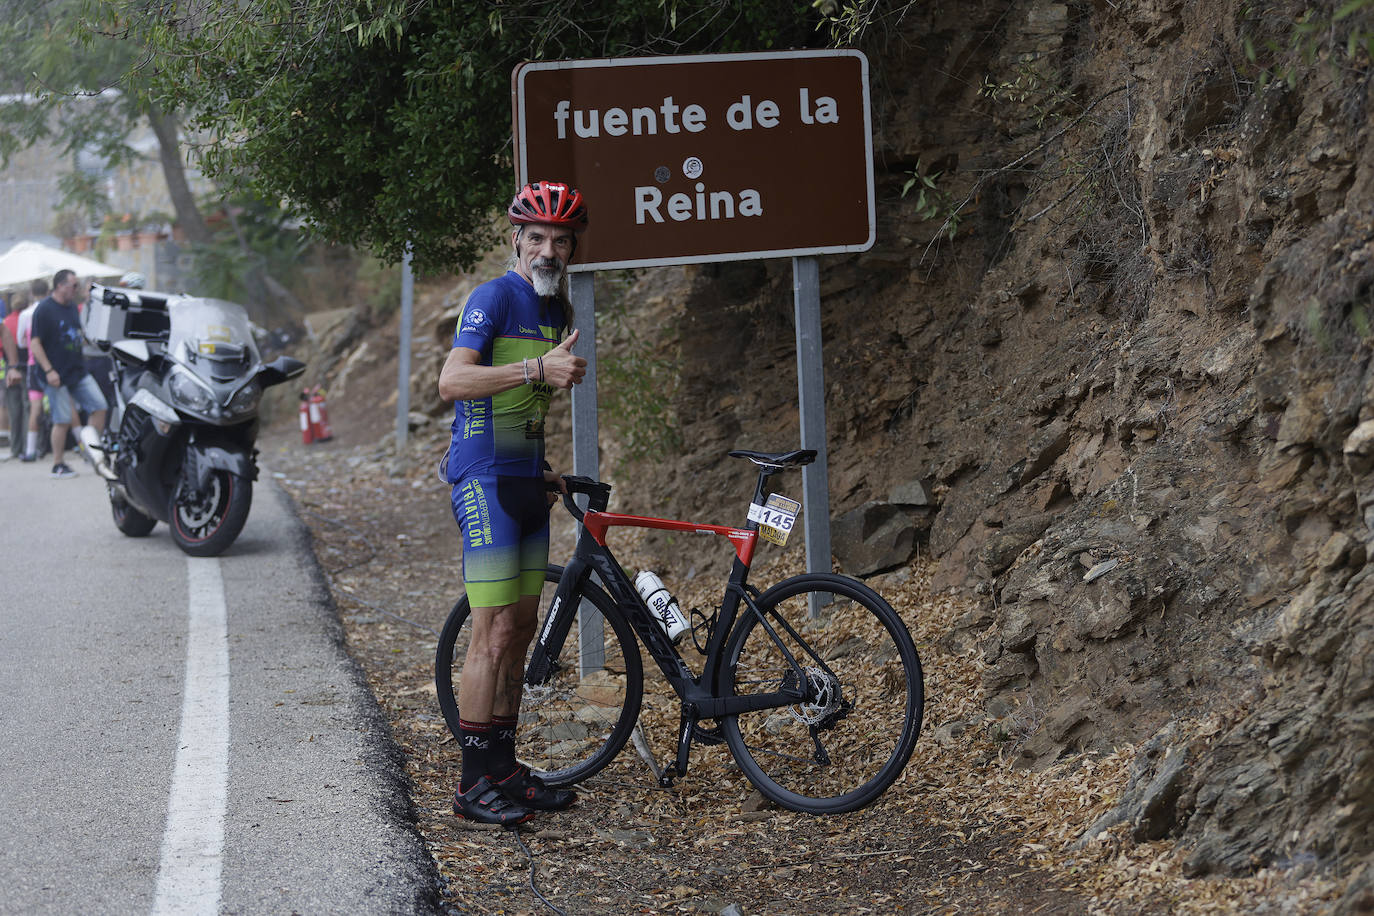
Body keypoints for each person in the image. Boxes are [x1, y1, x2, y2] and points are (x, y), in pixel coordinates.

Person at [436, 180, 589, 826]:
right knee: (493, 632)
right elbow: (453, 381)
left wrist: (544, 467)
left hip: (525, 478)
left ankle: (503, 767)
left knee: (522, 629)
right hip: (484, 481)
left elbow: (527, 409)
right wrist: (536, 371)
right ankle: (473, 785)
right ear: (516, 242)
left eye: (560, 240)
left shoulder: (558, 307)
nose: (548, 249)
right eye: (538, 238)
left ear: (572, 248)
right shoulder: (493, 297)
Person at [28, 270, 108, 479]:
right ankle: (58, 464)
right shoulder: (44, 309)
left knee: (100, 406)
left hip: (77, 371)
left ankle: (89, 451)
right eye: (73, 285)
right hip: (55, 375)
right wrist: (48, 370)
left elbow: (77, 335)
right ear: (60, 285)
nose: (76, 289)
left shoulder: (72, 307)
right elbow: (35, 344)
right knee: (62, 419)